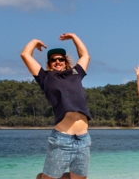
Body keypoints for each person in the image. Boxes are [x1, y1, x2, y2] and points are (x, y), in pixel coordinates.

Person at [21, 33, 92, 179]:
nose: (57, 61)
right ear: (49, 63)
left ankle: (42, 176)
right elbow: (25, 55)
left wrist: (73, 37)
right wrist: (35, 41)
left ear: (65, 61)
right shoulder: (45, 77)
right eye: (53, 60)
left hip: (84, 139)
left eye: (61, 59)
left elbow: (85, 56)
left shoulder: (75, 73)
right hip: (62, 139)